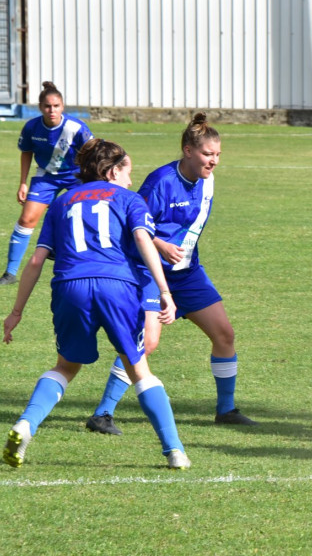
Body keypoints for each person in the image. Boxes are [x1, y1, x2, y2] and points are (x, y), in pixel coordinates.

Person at [2, 138, 190, 469]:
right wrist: (164, 290)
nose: (131, 180)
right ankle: (175, 451)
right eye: (127, 172)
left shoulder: (61, 203)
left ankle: (25, 425)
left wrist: (16, 311)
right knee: (139, 367)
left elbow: (35, 261)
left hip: (70, 286)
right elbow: (144, 241)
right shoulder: (129, 199)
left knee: (64, 367)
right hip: (117, 286)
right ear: (111, 170)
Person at [85, 113, 257, 436]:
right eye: (208, 154)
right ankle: (102, 414)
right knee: (146, 343)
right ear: (187, 151)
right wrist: (161, 245)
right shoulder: (160, 181)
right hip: (150, 271)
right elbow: (133, 227)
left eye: (218, 155)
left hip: (187, 273)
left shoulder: (208, 182)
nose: (214, 161)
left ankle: (226, 410)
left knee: (224, 335)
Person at [0, 82, 93, 286]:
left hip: (76, 176)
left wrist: (91, 181)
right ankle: (10, 273)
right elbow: (26, 152)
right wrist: (23, 183)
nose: (52, 110)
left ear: (63, 107)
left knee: (82, 218)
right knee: (26, 219)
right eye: (48, 106)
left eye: (56, 106)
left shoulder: (76, 128)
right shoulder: (32, 126)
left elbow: (93, 153)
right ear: (40, 107)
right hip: (46, 176)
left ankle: (76, 261)